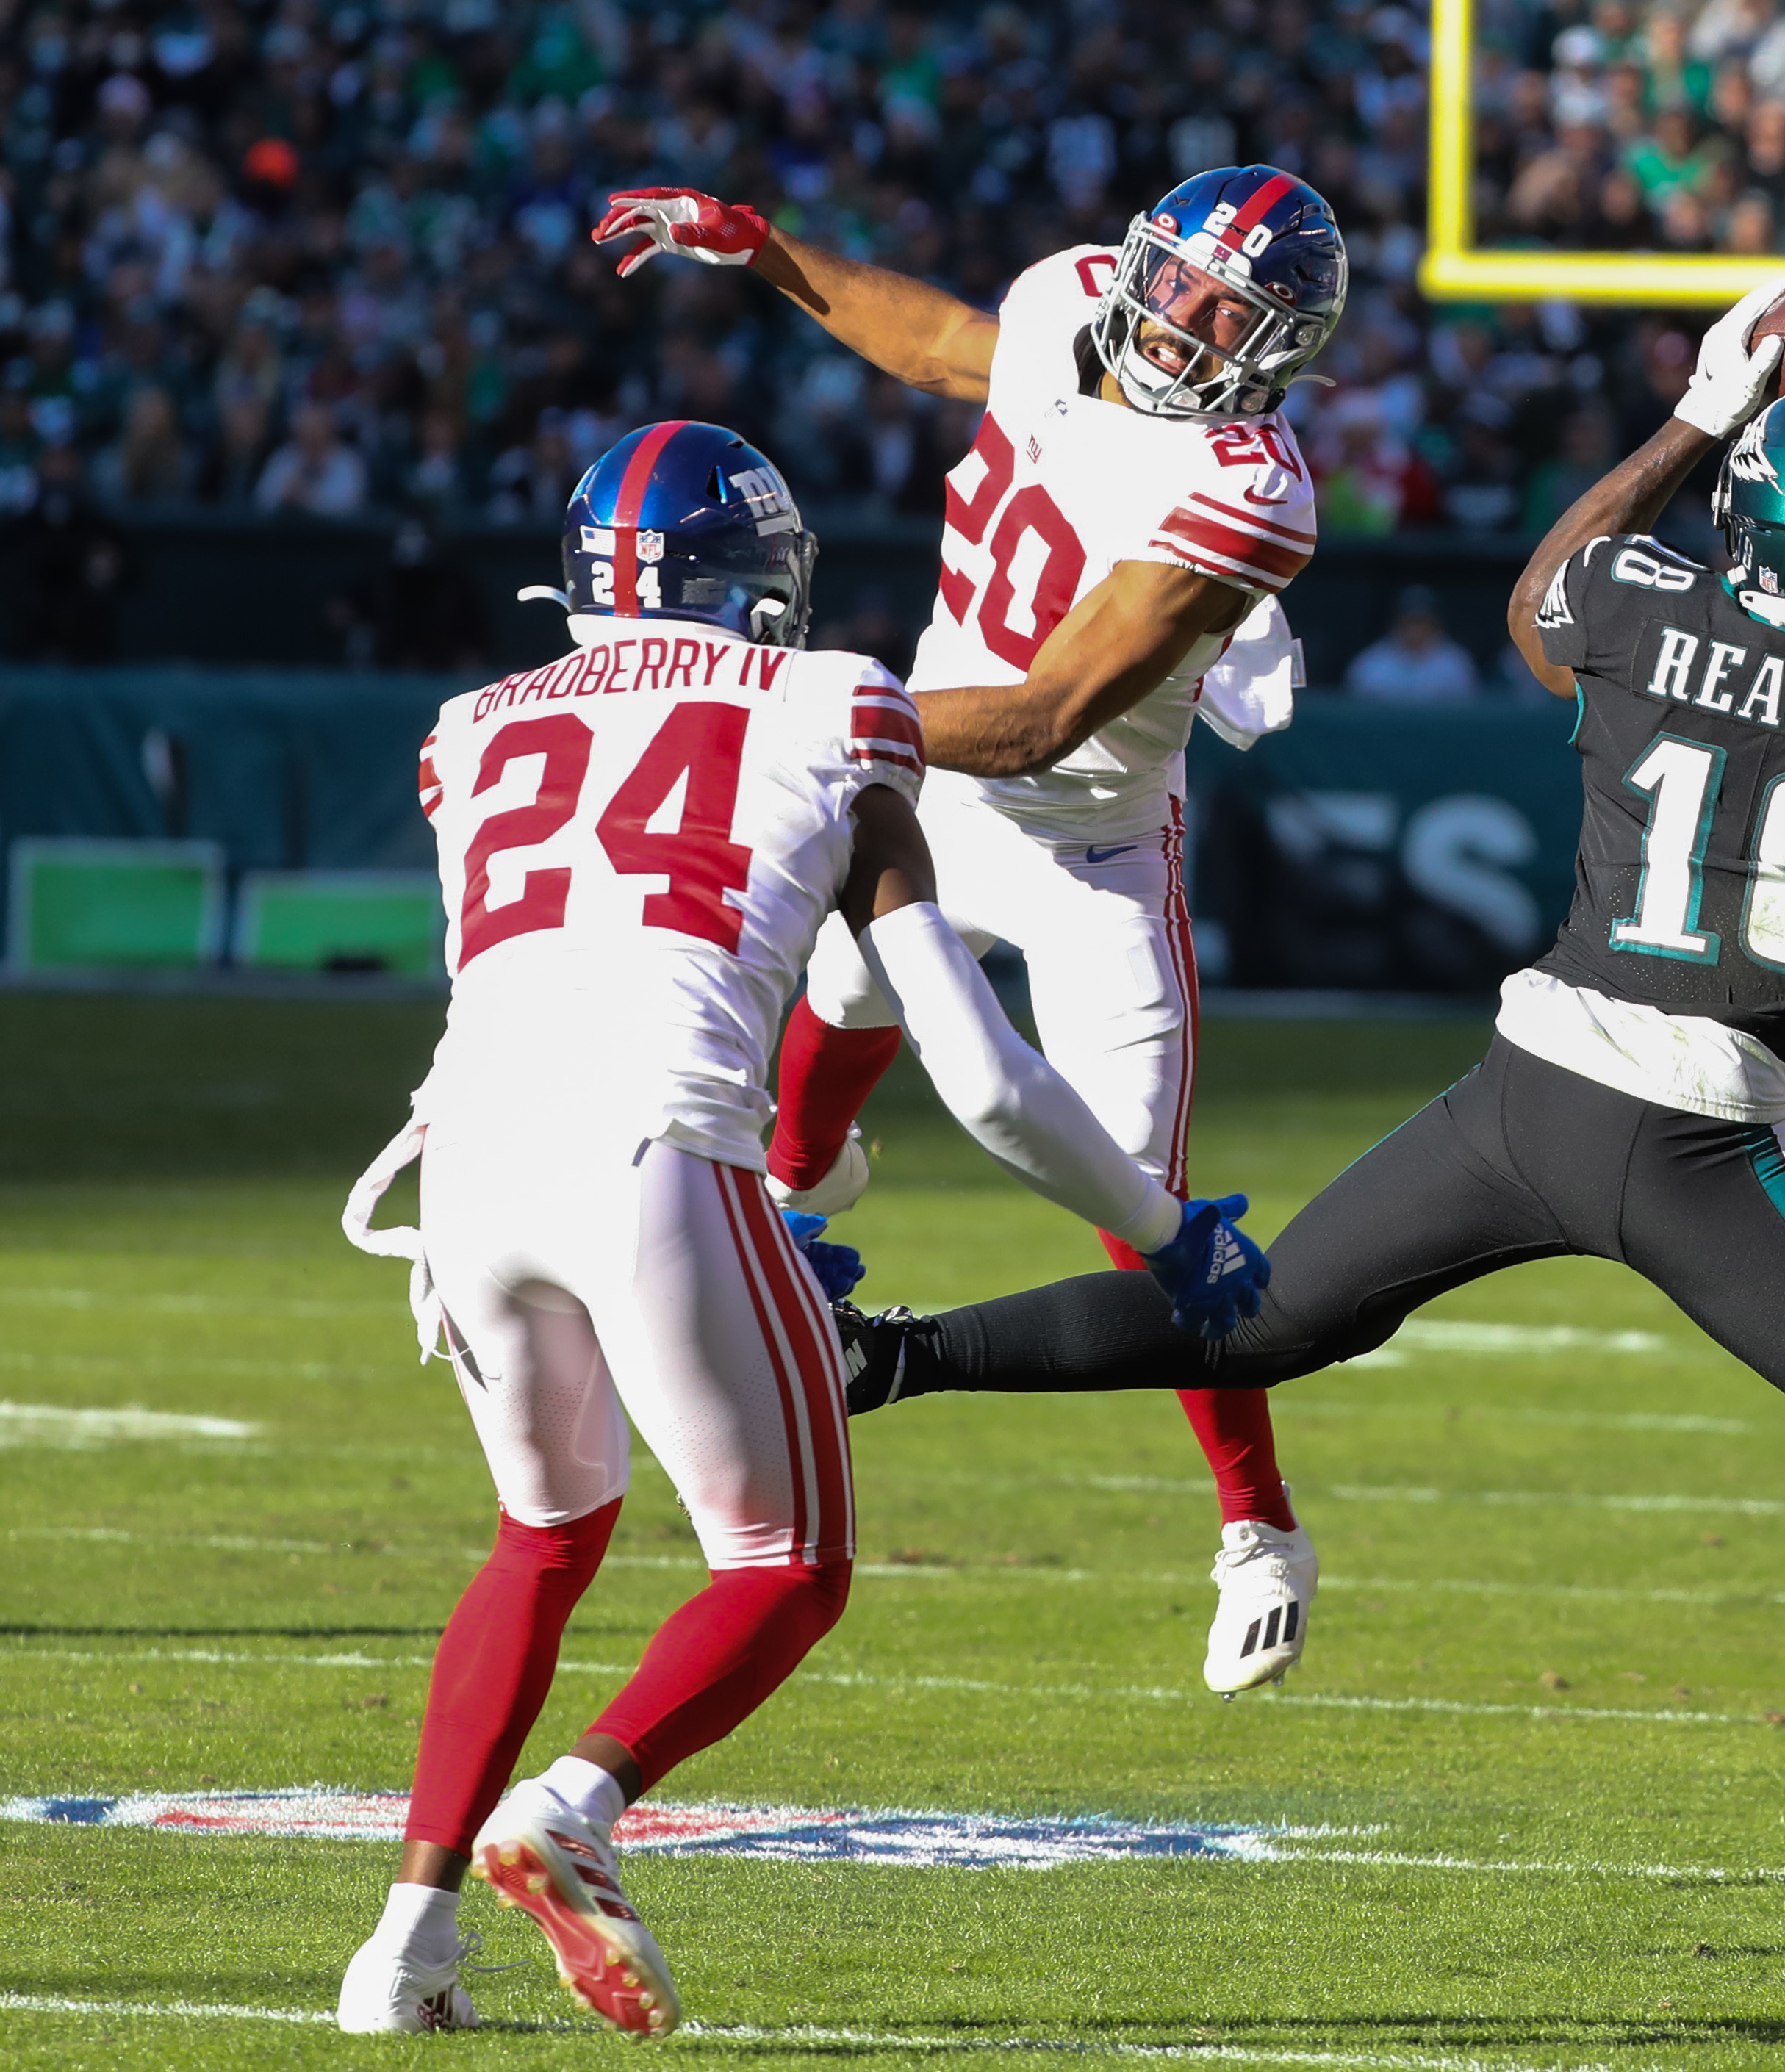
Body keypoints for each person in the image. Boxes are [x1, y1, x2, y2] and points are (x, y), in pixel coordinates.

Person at [827, 287, 1785, 1765]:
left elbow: (1548, 590)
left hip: (1527, 1092)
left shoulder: (1638, 614)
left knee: (1262, 1318)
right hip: (1711, 1139)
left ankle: (887, 1361)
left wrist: (1697, 412)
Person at [331, 422, 1269, 2037]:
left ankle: (397, 1953)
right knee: (786, 1566)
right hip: (658, 1153)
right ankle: (575, 1806)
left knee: (544, 1543)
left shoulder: (466, 729)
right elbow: (982, 1078)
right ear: (754, 577)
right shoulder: (836, 703)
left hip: (463, 1163)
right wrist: (1162, 1227)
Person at [592, 166, 1344, 1691]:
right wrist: (766, 251)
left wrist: (795, 720)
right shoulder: (1069, 301)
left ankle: (1260, 1525)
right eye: (1180, 281)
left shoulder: (1245, 484)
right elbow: (944, 343)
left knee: (1149, 1223)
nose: (1185, 323)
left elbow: (1043, 717)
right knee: (802, 1074)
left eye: (1227, 311)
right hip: (924, 783)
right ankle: (799, 1227)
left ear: (1281, 347)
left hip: (1085, 849)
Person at [1345, 585, 1484, 703]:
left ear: (1435, 622)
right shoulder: (1372, 664)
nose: (1416, 629)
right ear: (1398, 622)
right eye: (1411, 621)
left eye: (1422, 621)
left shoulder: (1455, 663)